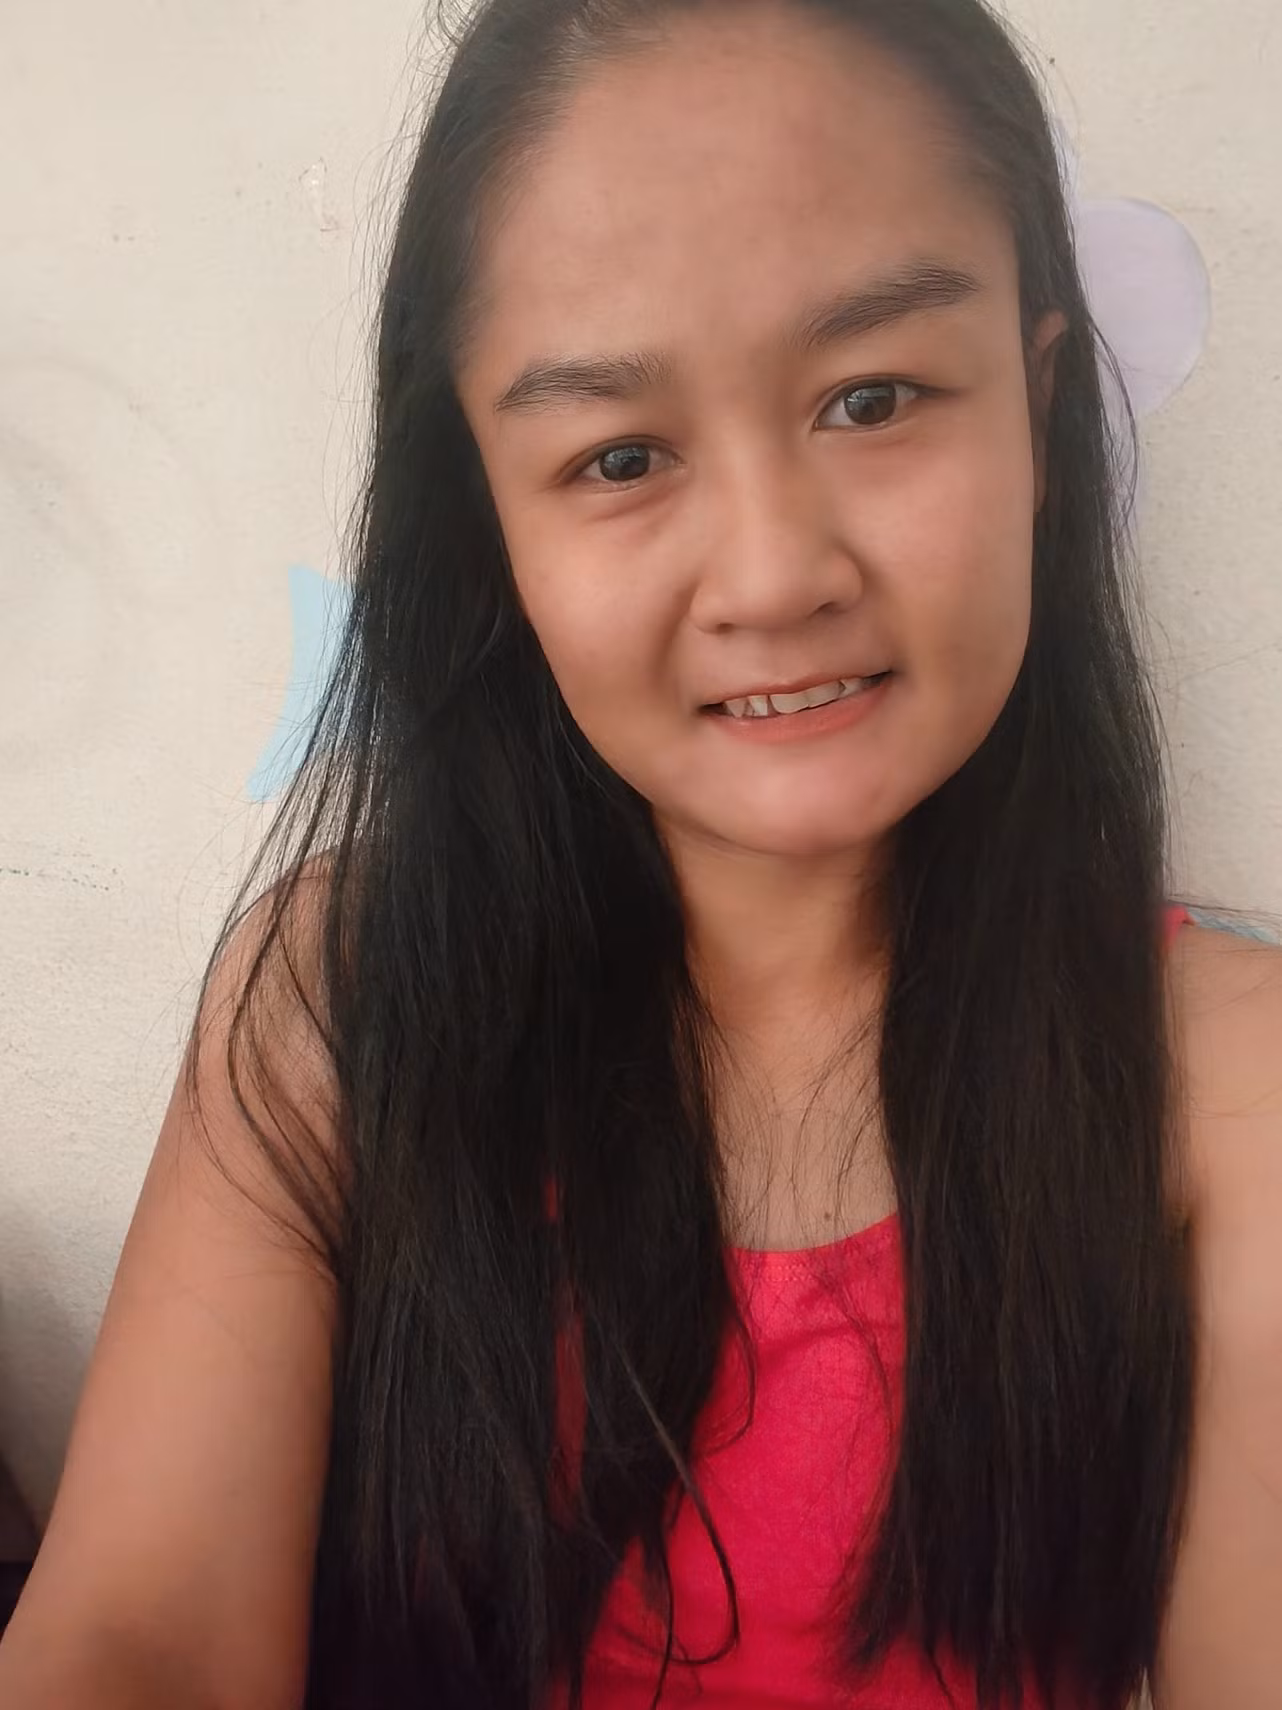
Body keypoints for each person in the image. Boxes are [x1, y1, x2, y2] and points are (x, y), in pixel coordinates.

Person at [2, 0, 1280, 1704]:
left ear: (1036, 409)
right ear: (490, 518)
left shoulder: (1226, 1089)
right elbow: (136, 1637)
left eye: (872, 396)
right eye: (618, 456)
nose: (771, 572)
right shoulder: (342, 1003)